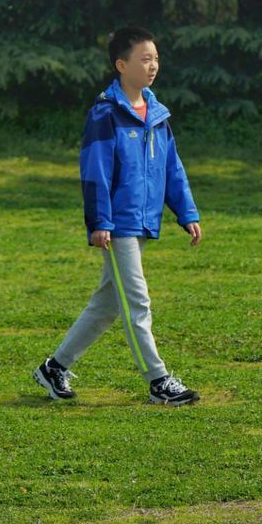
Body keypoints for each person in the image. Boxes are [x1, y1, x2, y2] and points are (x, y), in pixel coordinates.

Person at [34, 26, 203, 406]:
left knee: (109, 305)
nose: (153, 65)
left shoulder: (157, 114)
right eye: (145, 59)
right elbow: (94, 171)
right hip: (117, 225)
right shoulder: (105, 115)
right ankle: (158, 380)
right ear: (121, 64)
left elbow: (172, 168)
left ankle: (54, 367)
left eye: (156, 59)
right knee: (137, 301)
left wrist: (186, 212)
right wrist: (100, 222)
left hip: (141, 222)